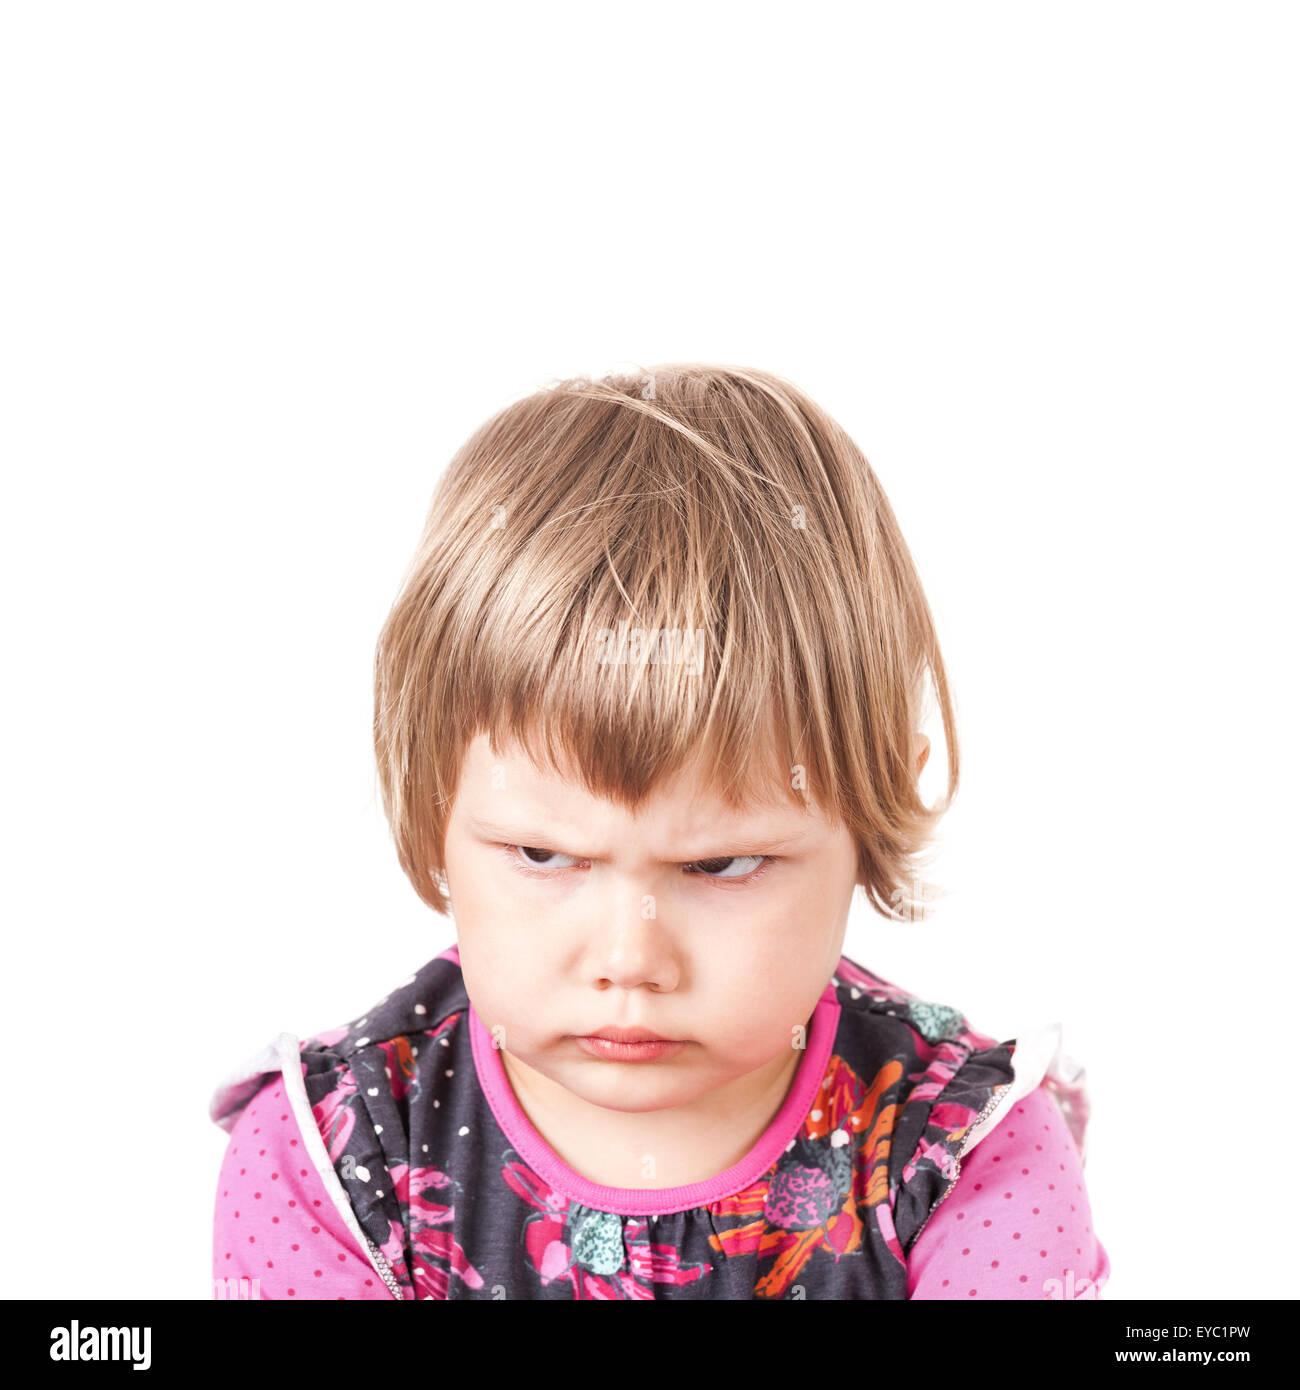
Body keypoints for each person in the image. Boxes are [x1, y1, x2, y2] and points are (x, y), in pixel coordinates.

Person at [209, 364, 1109, 1300]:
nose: (630, 958)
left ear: (875, 795)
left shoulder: (967, 1154)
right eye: (544, 854)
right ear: (434, 803)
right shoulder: (335, 1161)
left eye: (719, 864)